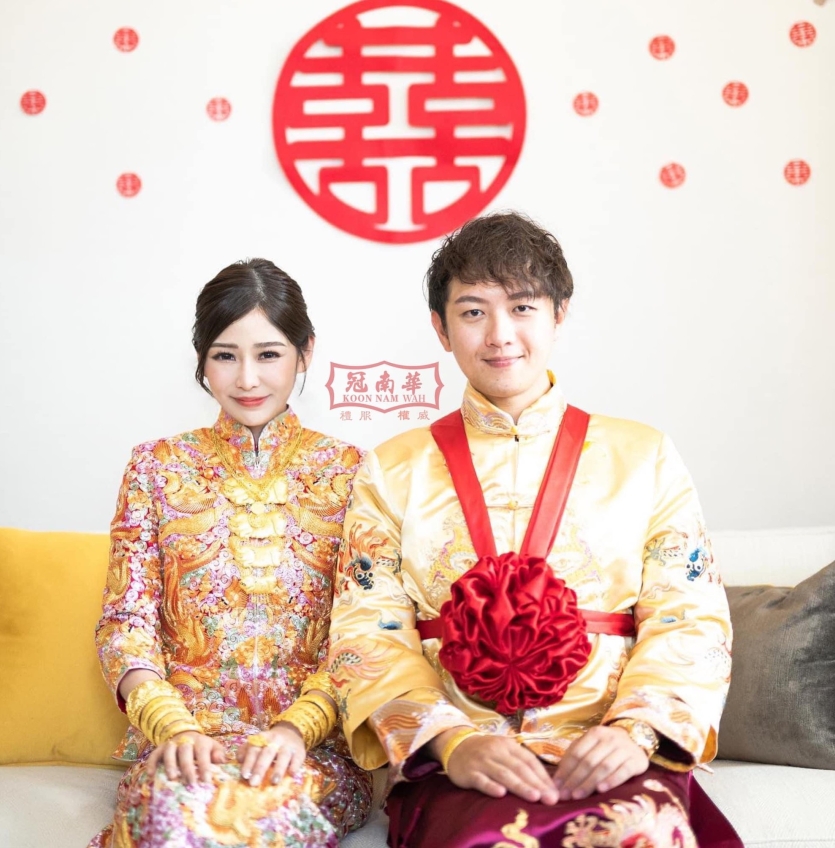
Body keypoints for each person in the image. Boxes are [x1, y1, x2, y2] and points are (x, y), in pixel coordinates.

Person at [328, 213, 741, 847]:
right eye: (473, 312)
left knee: (640, 832)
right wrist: (450, 742)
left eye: (522, 307)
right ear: (440, 327)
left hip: (610, 748)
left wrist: (634, 732)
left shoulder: (644, 455)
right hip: (463, 762)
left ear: (558, 315)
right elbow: (365, 629)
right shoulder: (392, 468)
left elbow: (690, 615)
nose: (500, 335)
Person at [89, 259, 372, 848]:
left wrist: (297, 730)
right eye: (225, 355)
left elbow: (364, 632)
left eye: (268, 354)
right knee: (181, 808)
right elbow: (125, 625)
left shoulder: (353, 473)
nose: (247, 378)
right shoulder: (155, 467)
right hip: (183, 749)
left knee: (246, 813)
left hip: (308, 753)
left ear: (305, 352)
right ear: (201, 359)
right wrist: (173, 728)